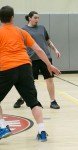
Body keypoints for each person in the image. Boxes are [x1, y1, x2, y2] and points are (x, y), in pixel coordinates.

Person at [0, 6, 61, 141]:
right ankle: (42, 131)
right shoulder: (21, 32)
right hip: (25, 68)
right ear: (12, 18)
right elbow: (39, 50)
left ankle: (2, 128)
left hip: (7, 69)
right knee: (33, 102)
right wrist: (49, 66)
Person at [13, 11, 61, 109]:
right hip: (31, 59)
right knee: (29, 82)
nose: (37, 20)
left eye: (38, 18)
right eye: (35, 18)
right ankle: (22, 98)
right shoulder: (23, 30)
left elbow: (47, 41)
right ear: (29, 18)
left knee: (49, 79)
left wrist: (55, 49)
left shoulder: (42, 28)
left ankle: (53, 101)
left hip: (45, 58)